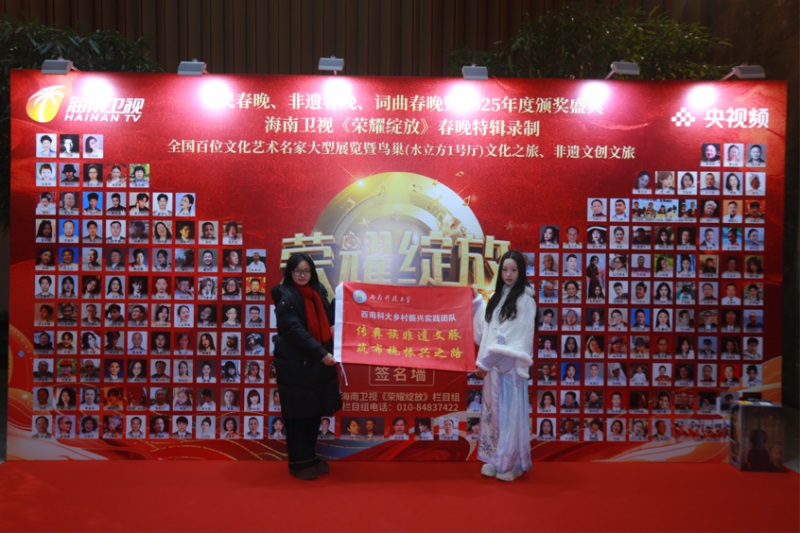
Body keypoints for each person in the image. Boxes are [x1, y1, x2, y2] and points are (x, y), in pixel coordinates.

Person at [271, 252, 340, 480]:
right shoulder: (284, 296)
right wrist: (322, 354)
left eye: (306, 271)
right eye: (298, 271)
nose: (302, 275)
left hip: (316, 367)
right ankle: (298, 463)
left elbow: (329, 319)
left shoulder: (317, 293)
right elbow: (294, 331)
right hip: (296, 366)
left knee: (313, 414)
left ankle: (309, 456)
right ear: (290, 273)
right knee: (298, 416)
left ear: (312, 272)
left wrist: (342, 300)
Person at [471, 250, 535, 482]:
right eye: (505, 270)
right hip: (493, 370)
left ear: (521, 272)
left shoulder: (525, 301)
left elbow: (513, 338)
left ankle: (511, 464)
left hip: (509, 369)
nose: (508, 274)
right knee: (493, 415)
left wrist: (485, 363)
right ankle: (494, 460)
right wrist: (477, 302)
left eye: (513, 270)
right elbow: (486, 330)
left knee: (509, 418)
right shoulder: (498, 298)